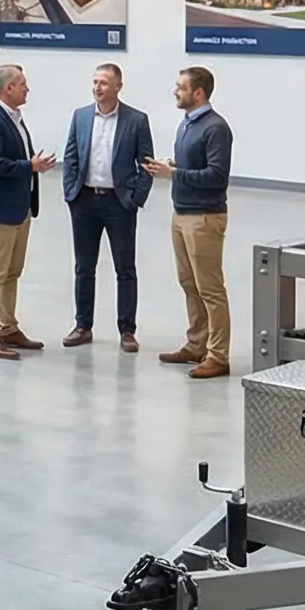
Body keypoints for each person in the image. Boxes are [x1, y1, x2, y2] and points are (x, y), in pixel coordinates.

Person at [146, 66, 236, 380]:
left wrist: (174, 174)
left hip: (204, 217)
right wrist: (173, 165)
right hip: (182, 213)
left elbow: (216, 176)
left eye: (181, 87)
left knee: (210, 288)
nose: (175, 91)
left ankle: (218, 355)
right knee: (189, 284)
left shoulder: (216, 128)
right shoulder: (187, 124)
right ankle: (197, 343)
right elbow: (193, 166)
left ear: (198, 93)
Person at [59, 62, 155, 352]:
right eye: (95, 82)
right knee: (84, 267)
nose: (97, 87)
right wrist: (70, 193)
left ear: (118, 87)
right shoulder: (81, 117)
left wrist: (135, 198)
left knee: (125, 268)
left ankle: (127, 329)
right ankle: (82, 325)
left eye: (103, 83)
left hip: (119, 203)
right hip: (84, 201)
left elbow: (146, 165)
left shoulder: (136, 120)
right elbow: (71, 157)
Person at [0, 63, 54, 360]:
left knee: (12, 272)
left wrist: (31, 166)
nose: (27, 88)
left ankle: (7, 326)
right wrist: (29, 167)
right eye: (22, 84)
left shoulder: (14, 117)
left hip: (19, 209)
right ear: (8, 88)